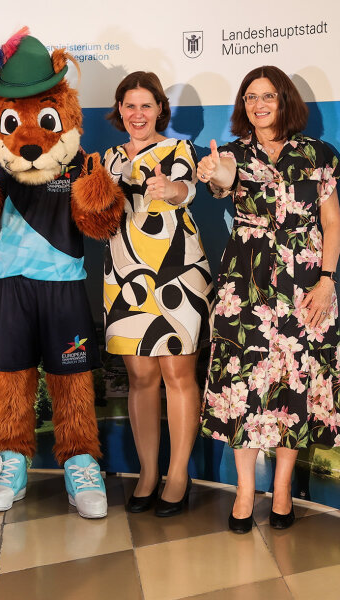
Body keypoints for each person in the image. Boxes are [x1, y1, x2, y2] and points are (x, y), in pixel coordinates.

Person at [198, 65, 340, 533]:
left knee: (294, 386)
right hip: (246, 285)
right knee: (242, 388)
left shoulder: (319, 154)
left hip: (306, 285)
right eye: (250, 97)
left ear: (285, 102)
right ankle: (244, 493)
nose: (259, 105)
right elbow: (220, 181)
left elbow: (332, 221)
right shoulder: (233, 154)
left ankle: (281, 492)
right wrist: (215, 174)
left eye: (269, 96)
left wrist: (327, 279)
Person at [103, 72, 214, 516]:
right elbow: (94, 211)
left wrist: (170, 190)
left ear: (159, 110)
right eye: (130, 106)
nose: (137, 114)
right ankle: (148, 473)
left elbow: (186, 189)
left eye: (145, 105)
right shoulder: (107, 159)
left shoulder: (178, 150)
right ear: (120, 111)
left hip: (178, 275)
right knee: (141, 379)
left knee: (177, 376)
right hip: (125, 278)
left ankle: (179, 475)